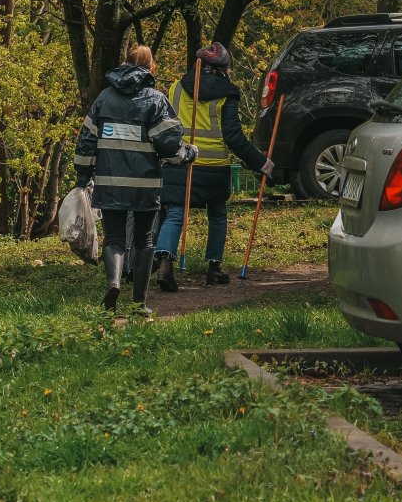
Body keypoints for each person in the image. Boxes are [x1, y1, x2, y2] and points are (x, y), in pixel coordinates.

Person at [75, 44, 197, 314]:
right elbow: (169, 146)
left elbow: (86, 142)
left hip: (109, 183)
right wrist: (188, 153)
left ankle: (114, 283)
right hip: (145, 185)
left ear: (125, 64)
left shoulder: (104, 98)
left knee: (115, 238)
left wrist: (83, 177)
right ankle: (139, 303)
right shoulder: (155, 100)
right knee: (144, 241)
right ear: (151, 68)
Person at [155, 42, 274, 290]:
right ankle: (214, 268)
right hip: (214, 166)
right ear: (223, 68)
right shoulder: (227, 94)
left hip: (180, 161)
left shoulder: (176, 87)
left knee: (176, 213)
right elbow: (233, 137)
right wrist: (260, 162)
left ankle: (165, 264)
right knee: (217, 216)